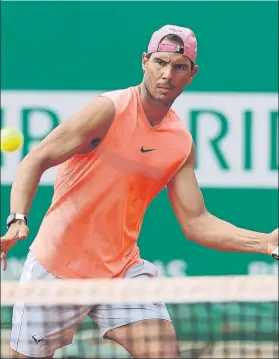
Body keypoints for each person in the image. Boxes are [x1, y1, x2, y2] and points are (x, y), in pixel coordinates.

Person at [1, 24, 278, 359]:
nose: (167, 74)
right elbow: (36, 159)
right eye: (160, 62)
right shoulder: (108, 110)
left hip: (121, 271)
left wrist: (264, 242)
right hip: (56, 267)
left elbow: (196, 221)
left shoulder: (180, 142)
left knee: (164, 353)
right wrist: (17, 219)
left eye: (179, 67)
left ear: (192, 74)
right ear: (144, 61)